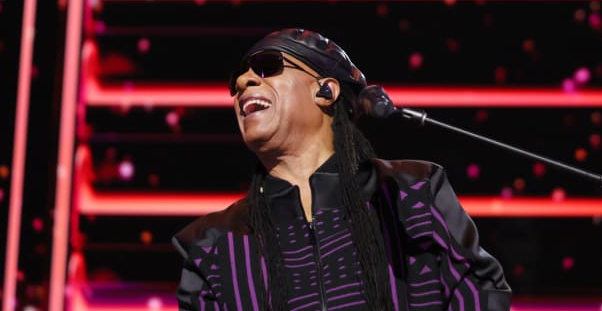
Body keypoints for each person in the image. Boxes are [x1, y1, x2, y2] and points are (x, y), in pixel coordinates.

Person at [172, 28, 512, 311]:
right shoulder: (212, 244)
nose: (244, 82)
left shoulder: (411, 193)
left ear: (325, 90)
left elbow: (480, 297)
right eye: (236, 81)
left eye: (265, 67)